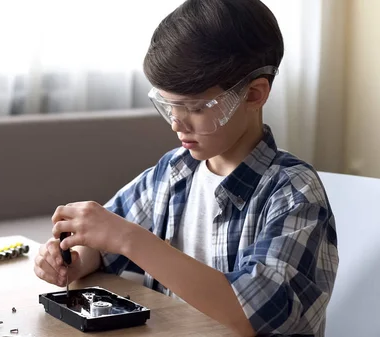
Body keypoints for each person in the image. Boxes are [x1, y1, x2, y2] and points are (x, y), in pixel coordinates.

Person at [33, 0, 339, 335]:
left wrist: (129, 239)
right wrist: (74, 259)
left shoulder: (294, 194)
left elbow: (255, 312)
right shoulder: (175, 172)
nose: (177, 123)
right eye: (168, 106)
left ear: (253, 94)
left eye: (193, 107)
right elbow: (101, 242)